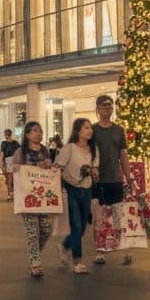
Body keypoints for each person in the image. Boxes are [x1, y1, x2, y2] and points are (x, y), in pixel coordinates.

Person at [91, 94, 134, 265]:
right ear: (98, 108)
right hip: (97, 180)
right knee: (100, 218)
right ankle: (100, 251)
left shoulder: (119, 130)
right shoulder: (92, 130)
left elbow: (123, 154)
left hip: (115, 179)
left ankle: (125, 250)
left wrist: (128, 175)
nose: (107, 107)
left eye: (110, 105)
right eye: (103, 105)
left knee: (118, 216)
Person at [55, 117, 99, 275]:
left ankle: (64, 245)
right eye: (86, 128)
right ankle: (78, 262)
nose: (90, 131)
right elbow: (57, 167)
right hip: (71, 190)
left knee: (81, 228)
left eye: (90, 128)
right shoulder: (69, 148)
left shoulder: (93, 148)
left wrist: (93, 172)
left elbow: (96, 169)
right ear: (78, 130)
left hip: (87, 189)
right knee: (77, 226)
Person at [13, 121, 56, 277]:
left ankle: (34, 253)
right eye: (35, 131)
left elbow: (50, 170)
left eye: (41, 131)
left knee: (46, 229)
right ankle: (35, 263)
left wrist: (48, 165)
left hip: (43, 196)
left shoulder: (45, 151)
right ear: (27, 134)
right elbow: (15, 169)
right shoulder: (20, 151)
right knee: (32, 231)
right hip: (27, 197)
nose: (39, 133)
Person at [0, 129, 20, 201]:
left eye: (6, 134)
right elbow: (20, 152)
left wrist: (1, 162)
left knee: (10, 178)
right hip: (12, 161)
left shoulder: (5, 143)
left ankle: (10, 194)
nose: (6, 136)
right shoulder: (15, 143)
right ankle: (11, 194)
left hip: (11, 160)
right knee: (11, 178)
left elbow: (2, 154)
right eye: (6, 134)